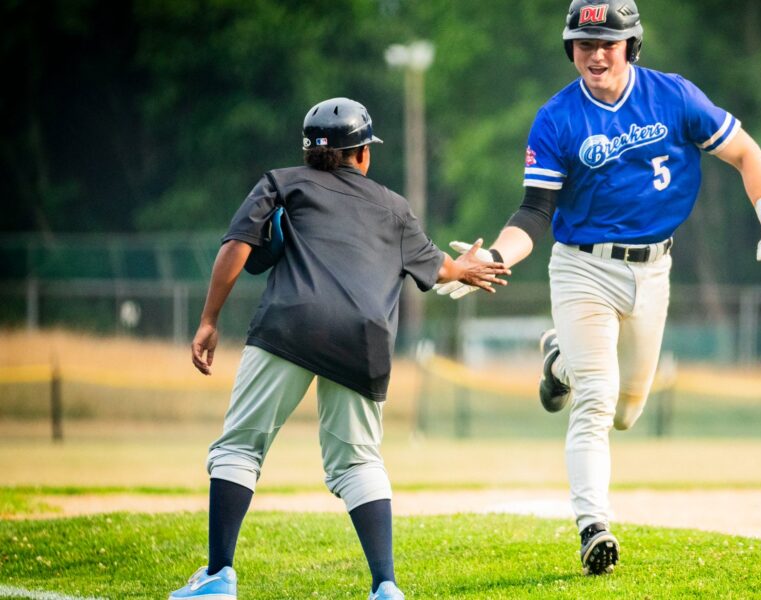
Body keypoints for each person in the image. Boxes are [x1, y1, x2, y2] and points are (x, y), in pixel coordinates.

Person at [435, 0, 761, 576]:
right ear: (571, 50)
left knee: (628, 411)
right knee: (597, 398)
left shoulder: (674, 96)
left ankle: (559, 362)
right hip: (583, 268)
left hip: (654, 268)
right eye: (586, 44)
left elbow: (744, 152)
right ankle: (593, 528)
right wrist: (495, 258)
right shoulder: (557, 118)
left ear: (632, 45)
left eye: (609, 42)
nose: (597, 53)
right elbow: (535, 211)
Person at [169, 97, 510, 600]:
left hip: (292, 322)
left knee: (240, 447)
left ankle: (219, 577)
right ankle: (386, 586)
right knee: (357, 463)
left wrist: (209, 320)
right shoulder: (394, 207)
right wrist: (469, 268)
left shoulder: (282, 181)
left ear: (309, 153)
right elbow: (438, 265)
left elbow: (237, 244)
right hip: (365, 336)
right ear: (363, 154)